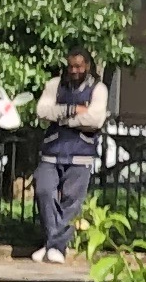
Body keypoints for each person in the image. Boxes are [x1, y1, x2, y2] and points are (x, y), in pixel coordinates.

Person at [30, 49, 108, 260]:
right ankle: (53, 244)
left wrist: (62, 118)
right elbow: (42, 111)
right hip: (51, 151)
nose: (74, 71)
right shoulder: (54, 85)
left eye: (78, 67)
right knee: (44, 191)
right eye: (71, 66)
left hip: (81, 153)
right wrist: (74, 111)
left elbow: (95, 120)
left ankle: (55, 247)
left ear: (87, 66)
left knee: (72, 202)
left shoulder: (98, 89)